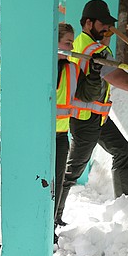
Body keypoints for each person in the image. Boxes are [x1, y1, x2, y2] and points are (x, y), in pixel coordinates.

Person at [54, 0, 128, 227]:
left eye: (110, 24)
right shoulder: (94, 52)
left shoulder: (82, 43)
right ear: (88, 23)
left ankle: (126, 205)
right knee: (71, 173)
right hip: (86, 120)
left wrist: (105, 37)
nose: (108, 28)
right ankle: (54, 217)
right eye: (103, 23)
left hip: (97, 118)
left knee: (122, 150)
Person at [54, 23, 78, 230]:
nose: (71, 48)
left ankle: (50, 226)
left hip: (61, 135)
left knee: (58, 185)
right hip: (42, 137)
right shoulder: (44, 68)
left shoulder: (71, 68)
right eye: (67, 43)